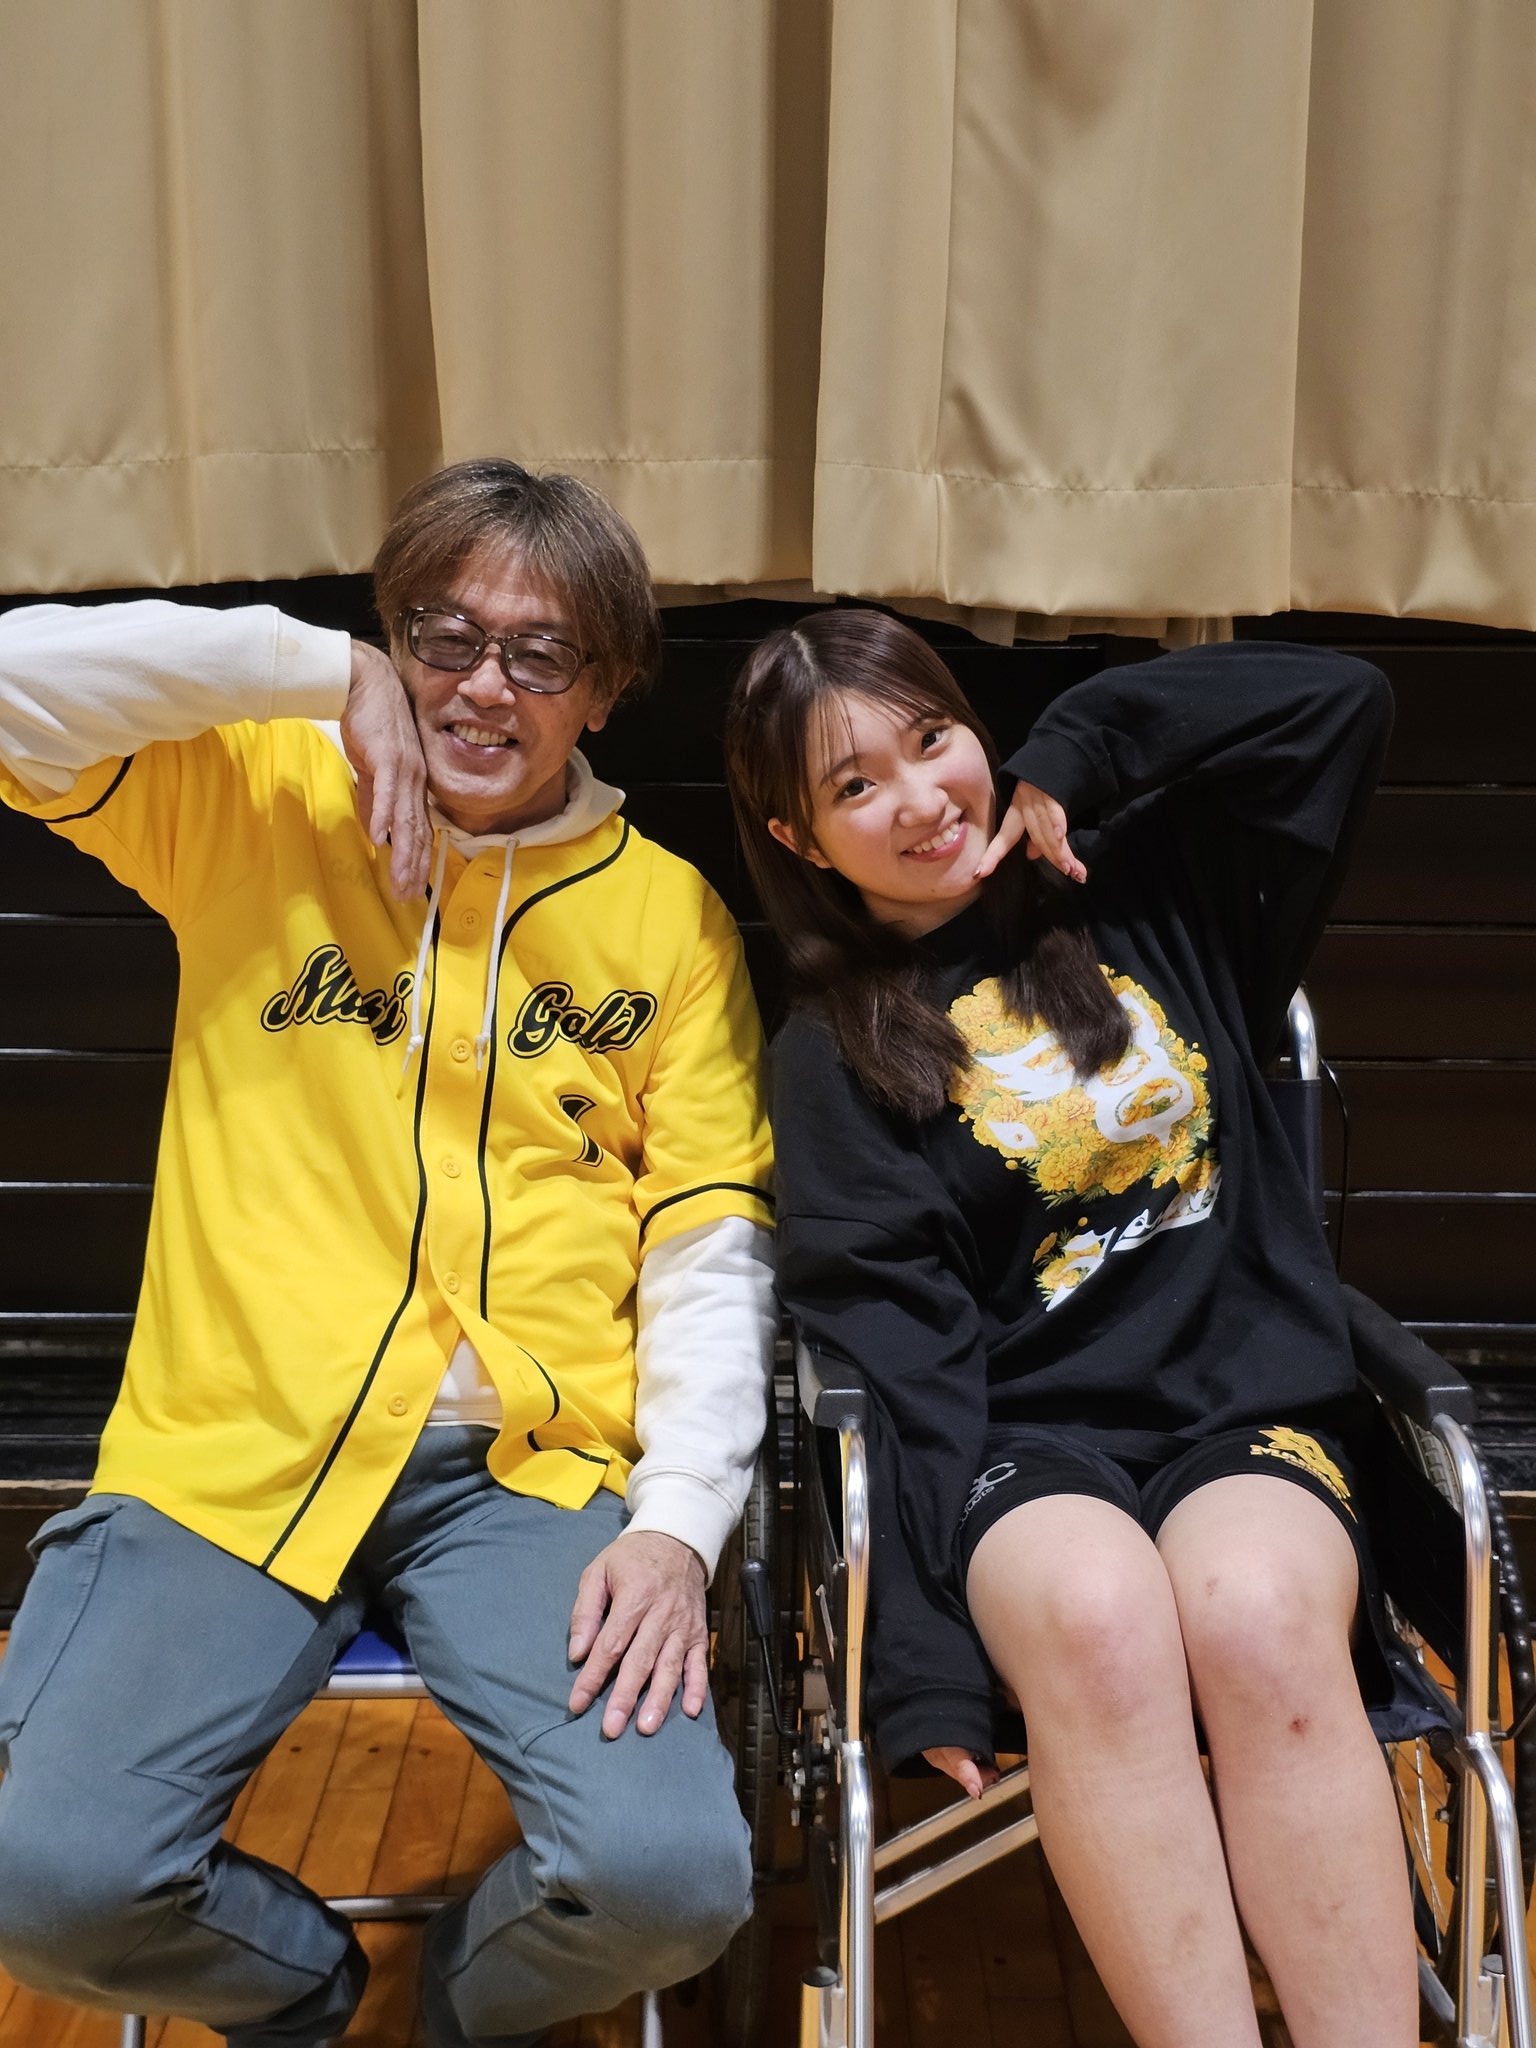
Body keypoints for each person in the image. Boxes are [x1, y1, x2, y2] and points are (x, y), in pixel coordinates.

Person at [0, 459, 776, 2048]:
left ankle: (457, 2014)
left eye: (542, 654)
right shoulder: (264, 797)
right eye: (445, 637)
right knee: (48, 1886)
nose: (484, 687)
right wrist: (313, 668)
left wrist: (681, 1525)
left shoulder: (672, 920)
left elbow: (707, 1246)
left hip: (531, 1480)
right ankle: (303, 1993)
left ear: (605, 693)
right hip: (233, 1454)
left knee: (668, 1883)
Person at [723, 609, 1417, 2048]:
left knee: (1257, 1613)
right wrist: (917, 1662)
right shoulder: (834, 1057)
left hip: (1244, 1409)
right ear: (799, 840)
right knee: (1102, 1624)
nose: (921, 798)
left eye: (933, 740)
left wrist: (1079, 752)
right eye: (855, 785)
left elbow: (1339, 700)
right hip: (1022, 1445)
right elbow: (897, 1364)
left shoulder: (1151, 890)